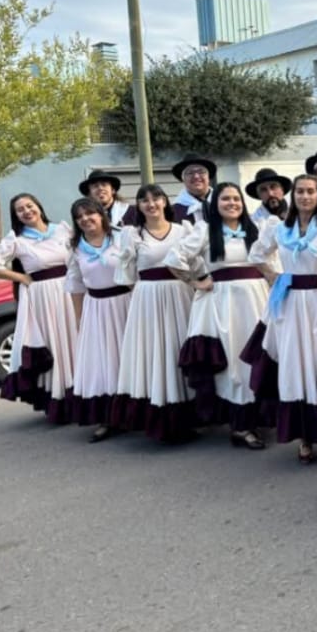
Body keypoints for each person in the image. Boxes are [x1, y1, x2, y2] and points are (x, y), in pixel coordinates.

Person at [243, 174, 317, 464]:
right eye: (300, 192)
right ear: (292, 196)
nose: (305, 196)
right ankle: (305, 434)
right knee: (296, 367)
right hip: (290, 303)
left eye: (310, 191)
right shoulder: (279, 227)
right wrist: (274, 276)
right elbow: (257, 254)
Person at [166, 182, 270, 450]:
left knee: (259, 356)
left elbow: (271, 264)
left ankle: (260, 415)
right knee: (234, 362)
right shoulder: (204, 230)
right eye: (225, 199)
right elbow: (174, 258)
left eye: (236, 199)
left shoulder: (255, 230)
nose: (232, 203)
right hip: (223, 304)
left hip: (257, 299)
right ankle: (241, 425)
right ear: (216, 203)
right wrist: (196, 281)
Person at [112, 185, 197, 441]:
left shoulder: (184, 230)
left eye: (156, 198)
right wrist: (144, 295)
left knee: (178, 349)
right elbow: (126, 276)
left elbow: (194, 264)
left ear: (164, 202)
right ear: (138, 206)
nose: (151, 204)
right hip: (147, 299)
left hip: (181, 295)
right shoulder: (132, 234)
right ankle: (161, 415)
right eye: (144, 200)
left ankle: (190, 414)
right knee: (155, 354)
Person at [0, 194, 77, 423]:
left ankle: (82, 395)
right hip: (42, 297)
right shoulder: (17, 240)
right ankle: (59, 399)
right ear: (15, 215)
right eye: (20, 210)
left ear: (39, 206)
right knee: (54, 345)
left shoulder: (62, 230)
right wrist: (20, 277)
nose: (27, 211)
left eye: (30, 206)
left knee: (75, 343)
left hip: (70, 291)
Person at [66, 198, 133, 442]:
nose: (85, 219)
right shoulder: (75, 248)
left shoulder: (122, 237)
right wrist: (79, 320)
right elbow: (75, 285)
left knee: (128, 359)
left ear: (101, 214)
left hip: (125, 304)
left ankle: (136, 412)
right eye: (79, 216)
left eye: (90, 213)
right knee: (104, 364)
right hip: (96, 309)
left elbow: (135, 271)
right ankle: (110, 419)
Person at [171, 154, 216, 223]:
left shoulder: (223, 203)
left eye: (201, 172)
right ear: (183, 179)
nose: (196, 176)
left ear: (208, 177)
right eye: (190, 173)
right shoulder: (173, 212)